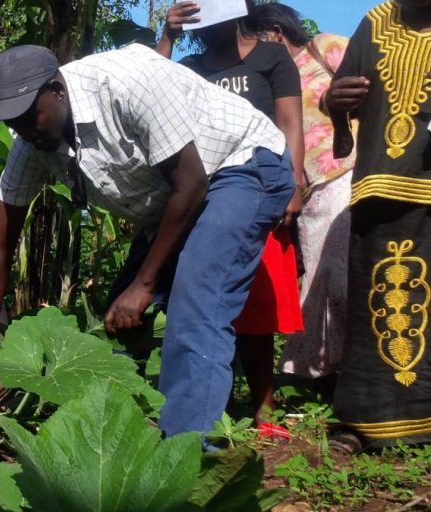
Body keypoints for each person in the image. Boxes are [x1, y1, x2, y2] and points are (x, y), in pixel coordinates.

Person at [0, 43, 294, 439]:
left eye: (27, 117)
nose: (23, 131)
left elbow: (191, 183)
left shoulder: (125, 84)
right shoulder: (32, 143)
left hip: (241, 161)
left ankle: (187, 454)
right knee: (114, 330)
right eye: (12, 123)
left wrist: (144, 284)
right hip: (174, 203)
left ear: (56, 90)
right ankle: (116, 430)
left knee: (197, 298)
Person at [156, 1, 305, 437]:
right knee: (206, 302)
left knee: (257, 303)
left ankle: (263, 405)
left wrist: (293, 184)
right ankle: (209, 407)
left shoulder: (270, 57)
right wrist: (167, 34)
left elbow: (289, 121)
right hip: (207, 192)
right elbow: (151, 89)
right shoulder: (193, 66)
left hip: (262, 187)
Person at [323, 0, 431, 453]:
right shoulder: (376, 21)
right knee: (378, 309)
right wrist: (336, 103)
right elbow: (341, 106)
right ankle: (365, 421)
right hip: (379, 187)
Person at [254, 3, 357, 388]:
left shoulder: (323, 46)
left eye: (258, 37)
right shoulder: (273, 76)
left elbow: (377, 82)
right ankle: (322, 370)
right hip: (309, 190)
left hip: (346, 171)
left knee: (336, 272)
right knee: (316, 277)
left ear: (277, 32)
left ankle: (339, 371)